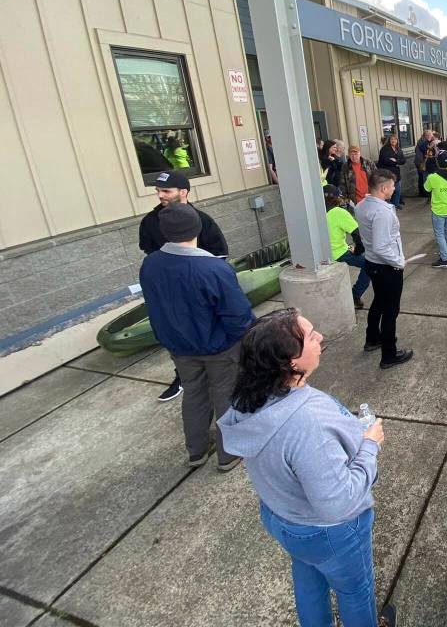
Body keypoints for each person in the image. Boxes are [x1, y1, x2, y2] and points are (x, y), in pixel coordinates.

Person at [218, 309, 396, 627]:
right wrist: (370, 445)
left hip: (283, 518)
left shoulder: (249, 399)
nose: (320, 338)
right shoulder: (307, 422)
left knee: (309, 580)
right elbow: (338, 502)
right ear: (291, 363)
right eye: (311, 336)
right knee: (356, 593)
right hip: (329, 532)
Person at [139, 203, 253, 471]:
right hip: (219, 347)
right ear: (197, 229)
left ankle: (197, 451)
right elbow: (238, 316)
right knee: (225, 394)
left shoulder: (150, 265)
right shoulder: (212, 268)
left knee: (193, 394)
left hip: (179, 347)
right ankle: (229, 454)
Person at [139, 170, 229, 402]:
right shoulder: (150, 222)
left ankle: (218, 375)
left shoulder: (203, 221)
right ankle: (182, 377)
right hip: (168, 297)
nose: (160, 196)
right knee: (177, 339)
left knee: (209, 342)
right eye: (158, 191)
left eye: (165, 191)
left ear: (183, 192)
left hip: (200, 297)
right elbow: (149, 252)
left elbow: (220, 255)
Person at [355, 172, 413, 369]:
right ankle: (389, 354)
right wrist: (398, 261)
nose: (394, 188)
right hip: (387, 267)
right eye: (392, 186)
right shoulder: (382, 212)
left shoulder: (362, 205)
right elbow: (381, 246)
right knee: (390, 310)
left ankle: (372, 338)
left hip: (372, 263)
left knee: (379, 302)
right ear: (383, 189)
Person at [324, 185, 371, 309]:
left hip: (320, 253)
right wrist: (357, 251)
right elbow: (358, 235)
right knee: (369, 265)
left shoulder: (315, 212)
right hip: (337, 253)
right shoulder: (338, 212)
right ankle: (355, 295)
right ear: (337, 198)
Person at [424, 151, 447, 268]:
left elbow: (426, 189)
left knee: (440, 234)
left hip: (438, 210)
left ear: (437, 162)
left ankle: (444, 259)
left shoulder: (432, 177)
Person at [377, 132, 406, 208]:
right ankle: (388, 206)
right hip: (388, 173)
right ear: (389, 140)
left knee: (397, 190)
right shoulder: (385, 149)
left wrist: (396, 161)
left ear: (397, 140)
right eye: (391, 139)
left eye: (395, 139)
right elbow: (384, 160)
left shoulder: (398, 149)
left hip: (396, 173)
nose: (393, 141)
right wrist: (395, 163)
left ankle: (395, 205)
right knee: (389, 191)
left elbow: (403, 160)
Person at [415, 129, 435, 197]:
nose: (431, 136)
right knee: (423, 177)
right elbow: (424, 149)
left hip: (424, 162)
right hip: (421, 162)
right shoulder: (422, 142)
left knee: (422, 177)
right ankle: (424, 193)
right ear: (426, 135)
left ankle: (422, 192)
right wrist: (429, 141)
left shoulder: (426, 141)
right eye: (429, 135)